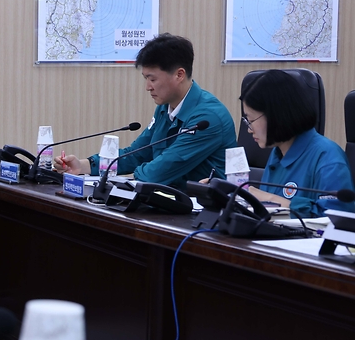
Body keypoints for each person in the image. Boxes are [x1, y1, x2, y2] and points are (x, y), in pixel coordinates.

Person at [53, 34, 236, 188]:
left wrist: (121, 179)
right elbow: (138, 153)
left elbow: (161, 170)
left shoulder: (208, 118)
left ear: (179, 75)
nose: (147, 87)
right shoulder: (164, 109)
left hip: (203, 214)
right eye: (145, 78)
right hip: (170, 205)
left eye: (152, 79)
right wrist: (84, 166)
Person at [239, 69, 354, 217]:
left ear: (277, 115)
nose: (249, 130)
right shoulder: (278, 153)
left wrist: (269, 198)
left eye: (251, 120)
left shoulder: (328, 157)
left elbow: (336, 219)